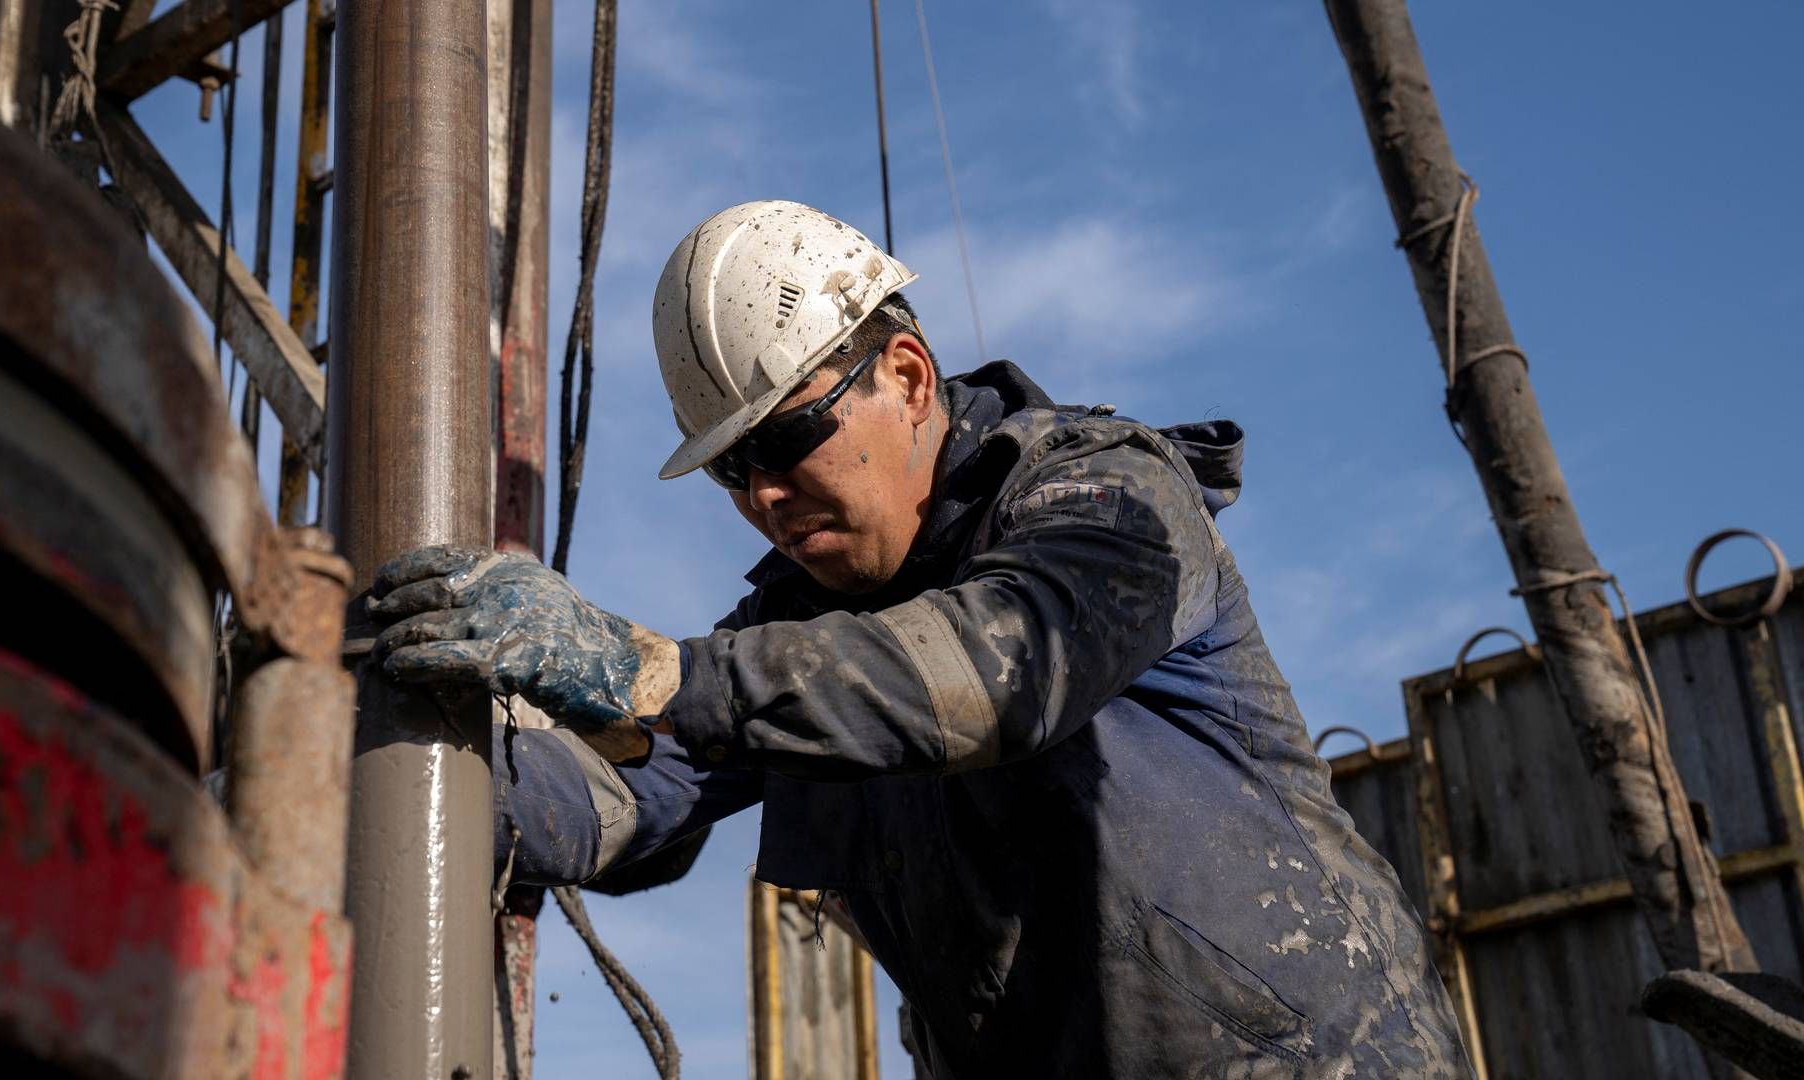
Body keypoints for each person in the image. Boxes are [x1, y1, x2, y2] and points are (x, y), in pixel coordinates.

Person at [367, 200, 1471, 1078]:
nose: (762, 494)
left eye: (788, 436)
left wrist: (637, 668)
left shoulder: (1108, 502)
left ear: (906, 376)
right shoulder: (794, 635)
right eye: (729, 470)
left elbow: (990, 674)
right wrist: (395, 747)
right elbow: (632, 796)